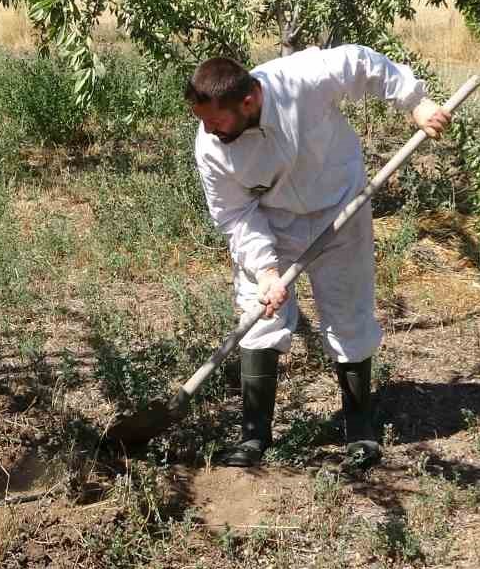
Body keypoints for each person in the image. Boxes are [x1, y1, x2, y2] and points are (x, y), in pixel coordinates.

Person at [186, 46, 452, 468]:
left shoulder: (300, 79)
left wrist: (415, 102)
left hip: (340, 208)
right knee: (258, 315)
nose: (209, 130)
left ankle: (361, 433)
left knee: (348, 312)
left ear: (249, 101)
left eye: (216, 120)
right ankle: (254, 438)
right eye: (202, 120)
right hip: (273, 220)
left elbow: (363, 62)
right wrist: (267, 271)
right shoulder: (211, 146)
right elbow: (235, 215)